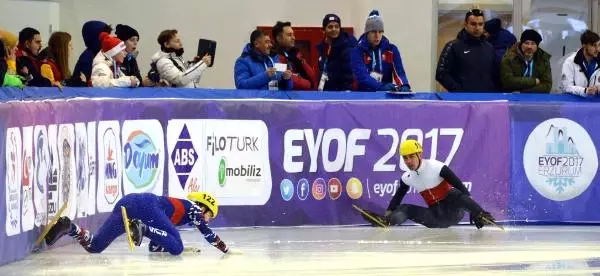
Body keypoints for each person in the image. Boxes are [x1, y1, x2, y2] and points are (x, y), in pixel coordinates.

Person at [359, 140, 497, 229]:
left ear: (419, 155)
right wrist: (387, 215)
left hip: (454, 213)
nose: (408, 161)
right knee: (404, 208)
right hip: (435, 219)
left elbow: (460, 187)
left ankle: (482, 215)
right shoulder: (407, 177)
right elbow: (397, 198)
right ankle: (386, 223)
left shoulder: (437, 167)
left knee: (453, 193)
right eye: (405, 158)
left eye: (411, 156)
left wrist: (475, 210)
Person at [44, 192, 233, 255]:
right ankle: (141, 227)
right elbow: (207, 233)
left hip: (128, 203)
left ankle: (69, 227)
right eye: (210, 215)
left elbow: (154, 246)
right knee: (178, 248)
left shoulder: (180, 212)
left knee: (95, 246)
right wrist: (225, 249)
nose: (207, 219)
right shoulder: (193, 209)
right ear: (204, 207)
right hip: (148, 207)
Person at [436, 9, 497, 92]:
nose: (477, 28)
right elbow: (441, 73)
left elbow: (494, 75)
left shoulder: (489, 48)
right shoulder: (453, 46)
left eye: (480, 24)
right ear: (465, 24)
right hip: (461, 101)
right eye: (473, 24)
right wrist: (457, 90)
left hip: (484, 100)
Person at [351, 10, 411, 92]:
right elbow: (362, 76)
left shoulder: (392, 50)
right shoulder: (357, 51)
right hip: (362, 95)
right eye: (373, 32)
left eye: (380, 32)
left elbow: (399, 72)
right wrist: (380, 86)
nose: (377, 35)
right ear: (367, 32)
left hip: (385, 95)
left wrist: (404, 85)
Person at [315, 13, 357, 91]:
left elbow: (349, 74)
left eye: (337, 26)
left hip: (342, 92)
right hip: (326, 91)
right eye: (330, 27)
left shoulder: (347, 45)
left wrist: (346, 92)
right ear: (324, 30)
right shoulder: (322, 47)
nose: (334, 29)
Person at [272, 21, 317, 90]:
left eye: (293, 35)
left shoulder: (295, 54)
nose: (293, 38)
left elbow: (312, 77)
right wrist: (309, 84)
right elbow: (287, 78)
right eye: (289, 35)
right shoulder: (274, 57)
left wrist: (300, 59)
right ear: (279, 38)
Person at [560, 30, 600, 96]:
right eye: (594, 45)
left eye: (599, 45)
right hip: (575, 104)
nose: (598, 49)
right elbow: (566, 87)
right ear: (584, 45)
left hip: (596, 104)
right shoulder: (570, 62)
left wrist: (598, 88)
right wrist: (584, 91)